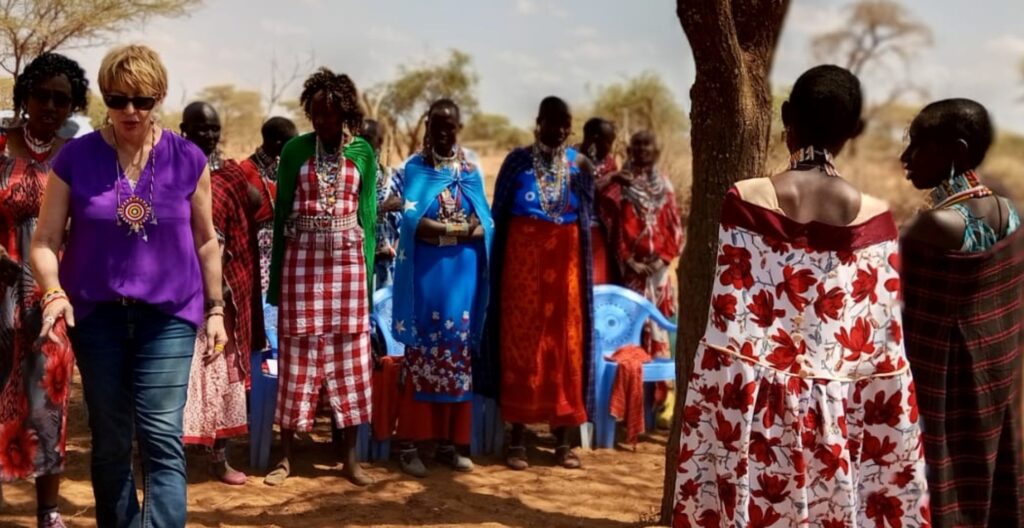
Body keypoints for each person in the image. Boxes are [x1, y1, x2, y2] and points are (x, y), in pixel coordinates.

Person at [672, 65, 928, 526]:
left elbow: (730, 332)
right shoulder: (879, 221)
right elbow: (883, 359)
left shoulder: (744, 201)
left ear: (785, 115)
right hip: (836, 426)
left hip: (750, 417)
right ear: (853, 132)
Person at [30, 44, 228, 528]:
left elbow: (206, 241)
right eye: (118, 100)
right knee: (112, 439)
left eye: (141, 100)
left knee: (161, 437)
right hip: (96, 319)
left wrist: (216, 308)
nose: (130, 111)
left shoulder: (188, 159)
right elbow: (45, 239)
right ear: (105, 99)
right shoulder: (76, 158)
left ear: (159, 97)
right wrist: (53, 292)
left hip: (170, 318)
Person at [901, 99, 1023, 527]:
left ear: (956, 149)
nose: (905, 158)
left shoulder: (934, 227)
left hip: (944, 391)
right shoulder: (1010, 215)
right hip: (994, 386)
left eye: (916, 145)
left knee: (946, 488)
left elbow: (896, 308)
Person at [264, 68, 377, 487]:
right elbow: (279, 220)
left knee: (351, 355)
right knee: (297, 354)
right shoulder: (295, 151)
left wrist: (366, 279)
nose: (322, 122)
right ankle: (287, 456)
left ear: (344, 113)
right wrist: (276, 280)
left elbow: (367, 215)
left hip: (348, 266)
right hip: (302, 263)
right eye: (315, 114)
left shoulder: (363, 152)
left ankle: (350, 459)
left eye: (329, 114)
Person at [0, 52, 87, 528]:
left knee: (47, 400)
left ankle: (48, 511)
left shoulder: (74, 158)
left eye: (62, 100)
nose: (51, 106)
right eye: (42, 95)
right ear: (24, 95)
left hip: (50, 297)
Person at [485, 96, 595, 470]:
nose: (561, 130)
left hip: (566, 269)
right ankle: (516, 437)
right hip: (522, 266)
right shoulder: (517, 161)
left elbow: (586, 221)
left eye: (567, 123)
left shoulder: (580, 166)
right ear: (539, 122)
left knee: (565, 345)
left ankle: (563, 441)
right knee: (523, 343)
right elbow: (497, 215)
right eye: (554, 122)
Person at [391, 99, 492, 477]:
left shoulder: (471, 171)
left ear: (459, 127)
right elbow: (412, 221)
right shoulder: (415, 169)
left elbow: (486, 223)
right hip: (427, 276)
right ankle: (410, 444)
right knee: (423, 355)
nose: (443, 132)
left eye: (450, 125)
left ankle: (451, 444)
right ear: (427, 127)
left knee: (457, 359)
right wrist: (456, 230)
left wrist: (460, 230)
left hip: (462, 278)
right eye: (436, 125)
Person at [180, 102, 265, 486]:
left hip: (222, 295)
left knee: (220, 373)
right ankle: (169, 462)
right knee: (178, 377)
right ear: (184, 129)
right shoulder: (170, 169)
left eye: (214, 129)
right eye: (201, 128)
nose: (209, 135)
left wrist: (236, 181)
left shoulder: (228, 173)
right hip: (179, 290)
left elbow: (256, 203)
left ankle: (218, 458)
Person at [599, 130, 683, 359]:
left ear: (656, 151)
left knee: (661, 321)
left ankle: (659, 387)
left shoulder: (664, 185)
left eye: (648, 145)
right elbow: (612, 226)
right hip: (632, 271)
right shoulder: (620, 185)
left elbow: (675, 228)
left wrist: (663, 259)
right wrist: (629, 261)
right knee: (632, 322)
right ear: (629, 150)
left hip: (660, 272)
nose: (643, 149)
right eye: (637, 145)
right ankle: (634, 383)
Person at [239, 117, 298, 295]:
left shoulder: (283, 168)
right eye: (290, 143)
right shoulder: (245, 170)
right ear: (277, 143)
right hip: (254, 246)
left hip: (281, 244)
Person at [362, 118, 405, 289]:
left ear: (379, 142)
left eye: (367, 138)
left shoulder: (393, 177)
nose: (361, 143)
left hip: (388, 259)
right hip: (358, 259)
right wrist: (382, 208)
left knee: (384, 310)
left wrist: (393, 249)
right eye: (358, 138)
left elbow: (405, 217)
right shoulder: (349, 175)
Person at [578, 117, 619, 285]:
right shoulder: (572, 159)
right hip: (573, 229)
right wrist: (609, 179)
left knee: (598, 281)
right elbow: (577, 190)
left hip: (599, 232)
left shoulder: (609, 163)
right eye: (608, 142)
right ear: (595, 138)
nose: (610, 148)